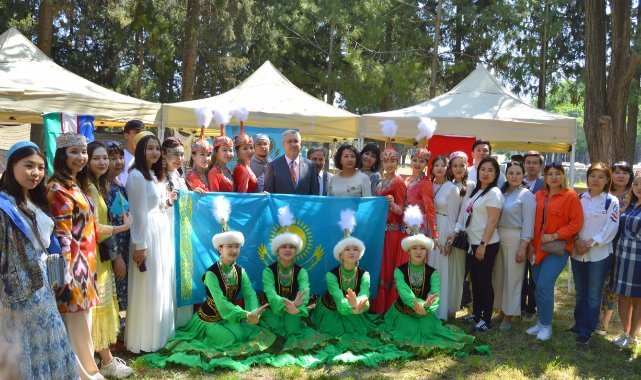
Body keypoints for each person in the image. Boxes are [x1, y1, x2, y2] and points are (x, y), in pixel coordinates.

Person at [140, 196, 275, 372]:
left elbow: (249, 294)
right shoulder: (211, 274)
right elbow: (221, 303)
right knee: (230, 341)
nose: (234, 250)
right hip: (209, 319)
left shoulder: (241, 272)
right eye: (229, 247)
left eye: (236, 246)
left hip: (231, 316)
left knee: (242, 334)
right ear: (220, 249)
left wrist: (253, 313)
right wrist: (245, 313)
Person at [0, 142, 78, 379]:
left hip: (43, 284)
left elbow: (49, 243)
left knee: (50, 337)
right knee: (26, 345)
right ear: (11, 166)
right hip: (19, 290)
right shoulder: (4, 206)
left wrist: (59, 276)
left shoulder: (36, 200)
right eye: (28, 166)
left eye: (41, 167)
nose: (35, 173)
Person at [310, 209, 410, 365]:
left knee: (364, 335)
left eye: (355, 249)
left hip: (357, 310)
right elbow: (337, 297)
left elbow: (364, 295)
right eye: (347, 249)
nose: (351, 252)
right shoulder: (331, 275)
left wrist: (359, 305)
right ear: (340, 254)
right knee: (336, 336)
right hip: (333, 311)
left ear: (360, 253)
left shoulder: (365, 275)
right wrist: (350, 308)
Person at [380, 205, 475, 354]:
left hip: (425, 312)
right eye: (414, 248)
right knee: (409, 333)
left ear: (427, 251)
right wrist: (419, 306)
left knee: (428, 332)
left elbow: (435, 293)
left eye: (422, 248)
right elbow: (404, 293)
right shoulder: (399, 271)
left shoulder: (432, 272)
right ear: (408, 251)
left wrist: (427, 308)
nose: (418, 252)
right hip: (404, 312)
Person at [47, 133, 104, 379]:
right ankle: (83, 374)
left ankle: (86, 371)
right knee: (76, 328)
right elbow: (62, 237)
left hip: (86, 265)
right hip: (72, 269)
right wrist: (64, 277)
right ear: (62, 155)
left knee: (83, 326)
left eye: (83, 152)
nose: (81, 158)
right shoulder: (57, 189)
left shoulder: (73, 185)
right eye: (74, 152)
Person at [78, 141, 134, 378]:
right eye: (97, 158)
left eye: (106, 158)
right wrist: (121, 227)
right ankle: (105, 362)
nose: (104, 162)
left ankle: (104, 360)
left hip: (99, 258)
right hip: (93, 258)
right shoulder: (90, 188)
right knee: (98, 310)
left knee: (100, 310)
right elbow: (92, 228)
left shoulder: (97, 185)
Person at [125, 134, 177, 353]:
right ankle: (145, 339)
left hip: (161, 232)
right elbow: (137, 212)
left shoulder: (154, 175)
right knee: (149, 285)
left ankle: (160, 334)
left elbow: (154, 205)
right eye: (149, 149)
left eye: (157, 148)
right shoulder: (136, 175)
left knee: (161, 283)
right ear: (140, 151)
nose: (154, 153)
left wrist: (167, 202)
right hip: (146, 236)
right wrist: (140, 245)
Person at [527, 162, 583, 341]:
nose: (553, 177)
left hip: (557, 249)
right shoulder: (538, 195)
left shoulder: (571, 196)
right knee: (537, 285)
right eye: (549, 174)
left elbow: (576, 223)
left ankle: (546, 326)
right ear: (545, 176)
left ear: (563, 176)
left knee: (544, 285)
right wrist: (529, 245)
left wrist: (555, 235)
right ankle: (541, 321)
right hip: (537, 247)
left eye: (557, 173)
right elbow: (531, 221)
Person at [260, 206, 327, 352]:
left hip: (294, 309)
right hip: (273, 308)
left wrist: (297, 307)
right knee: (276, 328)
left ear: (296, 250)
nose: (288, 250)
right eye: (284, 247)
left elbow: (305, 290)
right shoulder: (268, 271)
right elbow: (270, 293)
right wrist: (288, 303)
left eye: (291, 247)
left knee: (293, 329)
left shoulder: (301, 271)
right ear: (277, 250)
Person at [453, 157, 504, 332]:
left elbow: (493, 221)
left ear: (496, 174)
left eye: (490, 170)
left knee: (484, 282)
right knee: (475, 281)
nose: (486, 173)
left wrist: (483, 244)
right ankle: (476, 314)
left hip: (485, 244)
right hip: (472, 242)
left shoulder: (494, 192)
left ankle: (486, 319)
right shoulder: (478, 191)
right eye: (483, 169)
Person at [570, 162, 619, 345]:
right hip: (577, 252)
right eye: (593, 175)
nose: (596, 180)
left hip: (599, 254)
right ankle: (578, 323)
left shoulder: (610, 201)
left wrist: (590, 243)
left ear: (607, 180)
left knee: (593, 293)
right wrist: (576, 241)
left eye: (601, 177)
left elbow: (611, 227)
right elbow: (572, 222)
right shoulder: (579, 198)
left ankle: (587, 330)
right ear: (587, 177)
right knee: (580, 291)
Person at [494, 161, 535, 331]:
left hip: (516, 237)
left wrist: (523, 247)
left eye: (518, 173)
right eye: (511, 173)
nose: (514, 176)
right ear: (506, 175)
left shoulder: (526, 195)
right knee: (500, 276)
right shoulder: (501, 193)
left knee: (514, 278)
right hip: (498, 236)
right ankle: (502, 308)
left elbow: (529, 223)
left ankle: (510, 314)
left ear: (523, 175)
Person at [161, 137, 196, 328]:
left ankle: (182, 321)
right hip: (167, 232)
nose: (179, 158)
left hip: (182, 231)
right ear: (164, 155)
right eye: (175, 154)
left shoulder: (179, 177)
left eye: (182, 154)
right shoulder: (158, 177)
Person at [597, 161, 634, 335]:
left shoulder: (633, 195)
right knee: (598, 281)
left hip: (623, 248)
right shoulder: (604, 193)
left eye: (624, 172)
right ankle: (593, 317)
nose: (620, 175)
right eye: (617, 172)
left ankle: (605, 321)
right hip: (601, 243)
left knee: (613, 284)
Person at [370, 142, 406, 313]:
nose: (389, 165)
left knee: (388, 269)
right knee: (380, 267)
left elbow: (402, 210)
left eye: (392, 161)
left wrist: (392, 205)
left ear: (397, 163)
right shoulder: (382, 180)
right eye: (386, 162)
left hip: (392, 232)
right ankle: (377, 305)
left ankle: (388, 308)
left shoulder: (398, 182)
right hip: (380, 231)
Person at [612, 172, 641, 349]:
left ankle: (633, 336)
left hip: (639, 258)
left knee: (638, 298)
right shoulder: (631, 205)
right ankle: (625, 332)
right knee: (622, 297)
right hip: (623, 256)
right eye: (636, 184)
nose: (639, 188)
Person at [430, 155, 460, 320]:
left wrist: (449, 240)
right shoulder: (429, 185)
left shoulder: (451, 188)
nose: (440, 168)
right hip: (428, 227)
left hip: (443, 227)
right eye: (436, 165)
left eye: (443, 165)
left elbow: (454, 216)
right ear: (432, 168)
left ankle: (439, 310)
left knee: (440, 268)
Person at [104, 141, 131, 328]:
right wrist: (116, 256)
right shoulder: (104, 187)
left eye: (120, 157)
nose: (118, 162)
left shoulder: (119, 183)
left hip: (125, 244)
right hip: (114, 248)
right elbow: (108, 224)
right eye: (112, 158)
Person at [446, 151, 475, 312]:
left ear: (467, 166)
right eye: (455, 165)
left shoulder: (469, 185)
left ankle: (454, 305)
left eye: (461, 165)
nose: (458, 169)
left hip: (458, 234)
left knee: (458, 271)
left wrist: (455, 232)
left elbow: (465, 212)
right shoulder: (448, 184)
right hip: (446, 230)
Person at [521, 151, 544, 321]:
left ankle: (531, 308)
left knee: (534, 273)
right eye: (528, 162)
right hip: (518, 234)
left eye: (535, 162)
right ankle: (520, 305)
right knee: (520, 274)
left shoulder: (545, 184)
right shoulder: (515, 181)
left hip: (538, 235)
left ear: (540, 165)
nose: (531, 165)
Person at [264, 130, 319, 195]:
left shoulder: (310, 165)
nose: (293, 144)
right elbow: (269, 194)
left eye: (296, 141)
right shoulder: (273, 166)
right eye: (289, 141)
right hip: (282, 205)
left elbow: (314, 193)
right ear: (283, 145)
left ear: (300, 144)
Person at [405, 146, 437, 239]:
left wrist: (434, 234)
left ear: (426, 164)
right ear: (411, 161)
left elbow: (430, 209)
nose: (417, 164)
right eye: (415, 160)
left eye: (422, 161)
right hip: (405, 225)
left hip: (418, 226)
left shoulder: (426, 183)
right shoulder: (407, 180)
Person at [117, 120, 145, 186]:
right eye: (137, 132)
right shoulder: (119, 159)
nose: (141, 136)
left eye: (143, 133)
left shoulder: (148, 159)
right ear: (126, 136)